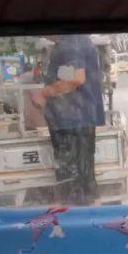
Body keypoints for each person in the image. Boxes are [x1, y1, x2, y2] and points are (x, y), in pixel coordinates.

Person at [30, 34, 105, 205]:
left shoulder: (70, 42)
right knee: (84, 181)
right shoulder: (73, 40)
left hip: (72, 122)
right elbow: (69, 76)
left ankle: (78, 223)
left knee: (73, 183)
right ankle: (87, 219)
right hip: (76, 120)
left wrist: (44, 92)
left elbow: (76, 78)